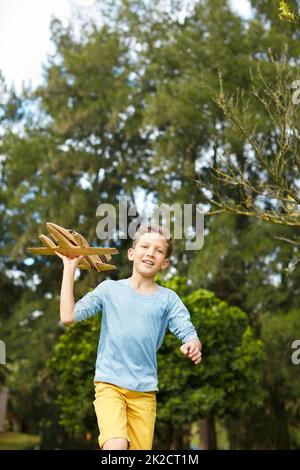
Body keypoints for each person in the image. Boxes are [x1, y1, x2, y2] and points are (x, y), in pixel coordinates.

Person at [56, 223, 202, 450]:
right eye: (145, 246)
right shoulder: (109, 290)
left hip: (144, 393)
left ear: (164, 263)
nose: (150, 252)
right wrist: (69, 268)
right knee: (116, 447)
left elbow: (188, 332)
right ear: (132, 253)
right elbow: (68, 316)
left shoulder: (169, 299)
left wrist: (192, 344)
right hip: (109, 385)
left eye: (158, 250)